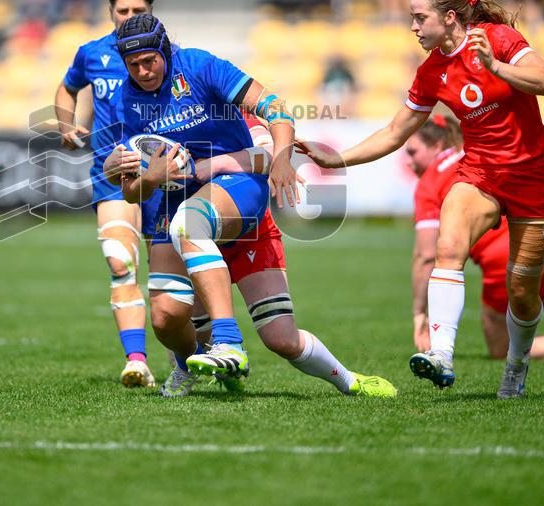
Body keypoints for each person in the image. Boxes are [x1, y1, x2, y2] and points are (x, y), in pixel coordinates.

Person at [297, 0, 544, 399]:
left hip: (533, 177)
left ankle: (517, 364)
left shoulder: (498, 38)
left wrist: (495, 67)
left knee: (522, 291)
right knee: (448, 248)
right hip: (479, 174)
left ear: (449, 17)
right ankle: (441, 355)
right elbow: (394, 132)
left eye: (420, 18)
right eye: (412, 19)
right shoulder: (430, 71)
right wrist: (337, 159)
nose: (414, 28)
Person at [105, 115, 397, 398]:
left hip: (246, 228)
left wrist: (212, 165)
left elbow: (272, 154)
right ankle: (188, 365)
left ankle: (350, 381)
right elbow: (124, 175)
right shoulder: (159, 110)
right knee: (182, 323)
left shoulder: (226, 103)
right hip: (181, 225)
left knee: (282, 339)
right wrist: (114, 166)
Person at [111, 13, 300, 381]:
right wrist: (151, 178)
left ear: (164, 50)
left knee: (191, 222)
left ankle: (228, 341)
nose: (143, 71)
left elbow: (274, 107)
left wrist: (281, 157)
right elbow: (131, 192)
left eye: (149, 61)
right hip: (172, 199)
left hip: (232, 184)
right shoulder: (128, 98)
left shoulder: (200, 66)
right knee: (165, 318)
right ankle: (188, 361)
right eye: (133, 65)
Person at [406, 115, 544, 363]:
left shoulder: (429, 182)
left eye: (413, 152)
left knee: (499, 344)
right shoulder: (477, 152)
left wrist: (419, 313)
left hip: (505, 254)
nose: (409, 161)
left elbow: (426, 255)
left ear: (436, 146)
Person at [53, 0, 162, 388]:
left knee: (172, 276)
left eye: (138, 11)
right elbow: (67, 89)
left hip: (162, 175)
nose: (129, 16)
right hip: (111, 173)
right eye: (123, 10)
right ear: (110, 10)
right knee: (120, 261)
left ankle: (187, 358)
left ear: (151, 12)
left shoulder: (168, 56)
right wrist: (66, 125)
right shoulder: (91, 53)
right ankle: (136, 360)